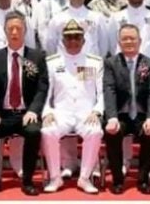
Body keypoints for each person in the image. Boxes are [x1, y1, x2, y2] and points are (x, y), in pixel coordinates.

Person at [0, 11, 50, 196]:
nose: (15, 32)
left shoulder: (37, 57)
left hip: (27, 113)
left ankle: (27, 181)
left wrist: (34, 110)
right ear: (5, 31)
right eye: (11, 29)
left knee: (34, 132)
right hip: (4, 114)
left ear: (25, 31)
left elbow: (42, 88)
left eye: (18, 28)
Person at [40, 20, 104, 194]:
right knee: (47, 131)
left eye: (77, 37)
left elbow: (102, 93)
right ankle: (55, 177)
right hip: (62, 112)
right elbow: (46, 92)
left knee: (95, 131)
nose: (73, 41)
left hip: (86, 112)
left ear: (84, 40)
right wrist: (46, 112)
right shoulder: (52, 63)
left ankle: (84, 178)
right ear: (63, 40)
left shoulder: (94, 62)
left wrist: (97, 111)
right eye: (69, 38)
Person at [102, 23, 150, 195]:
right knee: (112, 133)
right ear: (119, 42)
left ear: (140, 41)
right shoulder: (111, 63)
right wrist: (111, 116)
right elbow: (109, 89)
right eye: (125, 39)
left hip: (142, 114)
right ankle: (118, 180)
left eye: (132, 38)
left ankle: (143, 179)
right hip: (121, 113)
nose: (129, 42)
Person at [43, 0, 107, 57]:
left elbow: (103, 47)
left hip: (90, 67)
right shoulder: (57, 19)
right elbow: (51, 47)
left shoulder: (97, 18)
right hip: (65, 66)